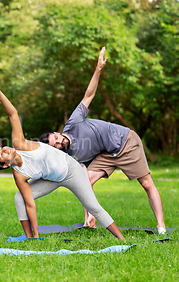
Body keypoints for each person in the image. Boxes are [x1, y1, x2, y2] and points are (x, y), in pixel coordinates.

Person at [39, 47, 166, 234]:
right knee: (86, 182)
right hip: (107, 154)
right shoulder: (69, 155)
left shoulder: (73, 122)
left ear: (57, 133)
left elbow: (88, 95)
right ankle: (88, 221)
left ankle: (161, 226)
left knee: (146, 183)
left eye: (57, 138)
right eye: (56, 145)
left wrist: (98, 69)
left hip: (126, 142)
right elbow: (80, 178)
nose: (60, 142)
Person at [0, 84, 125, 241]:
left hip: (71, 171)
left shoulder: (20, 144)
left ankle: (122, 239)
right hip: (51, 179)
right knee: (20, 198)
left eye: (2, 148)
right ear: (6, 165)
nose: (5, 150)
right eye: (1, 155)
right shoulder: (19, 176)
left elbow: (13, 114)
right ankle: (29, 238)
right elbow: (30, 205)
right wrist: (36, 236)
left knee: (93, 206)